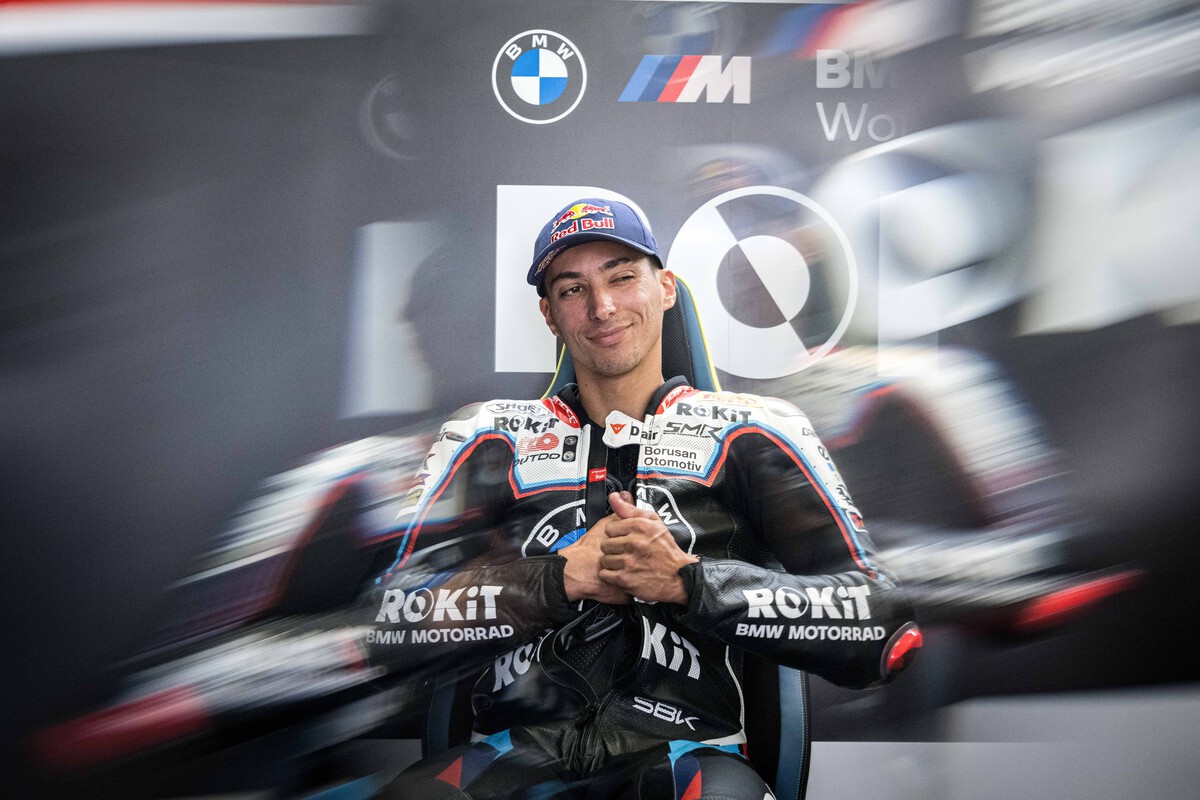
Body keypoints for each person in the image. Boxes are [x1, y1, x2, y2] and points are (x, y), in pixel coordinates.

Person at [370, 198, 922, 799]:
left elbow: (880, 620)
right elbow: (382, 625)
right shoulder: (486, 435)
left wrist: (689, 582)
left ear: (665, 289)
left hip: (687, 757)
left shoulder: (753, 429)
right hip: (510, 755)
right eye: (573, 289)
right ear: (550, 314)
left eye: (622, 277)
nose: (602, 307)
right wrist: (558, 579)